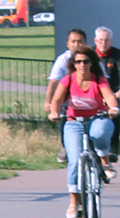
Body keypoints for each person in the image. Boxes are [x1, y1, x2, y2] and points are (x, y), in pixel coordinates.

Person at [48, 46, 119, 218]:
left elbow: (109, 96)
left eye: (86, 61)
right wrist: (54, 113)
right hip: (74, 122)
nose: (82, 65)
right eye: (78, 61)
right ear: (74, 64)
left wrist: (113, 108)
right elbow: (56, 100)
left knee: (100, 132)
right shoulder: (68, 80)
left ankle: (104, 161)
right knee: (73, 161)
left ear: (91, 63)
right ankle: (74, 202)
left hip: (97, 118)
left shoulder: (98, 80)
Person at [44, 28, 87, 164]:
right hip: (67, 99)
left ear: (85, 43)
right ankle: (65, 146)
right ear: (68, 44)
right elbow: (53, 81)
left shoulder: (91, 59)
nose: (76, 45)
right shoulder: (63, 59)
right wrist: (48, 102)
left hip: (87, 98)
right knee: (63, 122)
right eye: (73, 41)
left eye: (80, 42)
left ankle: (101, 159)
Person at [94, 26, 120, 164]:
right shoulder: (90, 54)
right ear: (96, 40)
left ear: (111, 41)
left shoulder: (117, 54)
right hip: (93, 93)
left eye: (107, 40)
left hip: (111, 93)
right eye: (101, 40)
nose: (103, 43)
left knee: (114, 116)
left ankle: (113, 150)